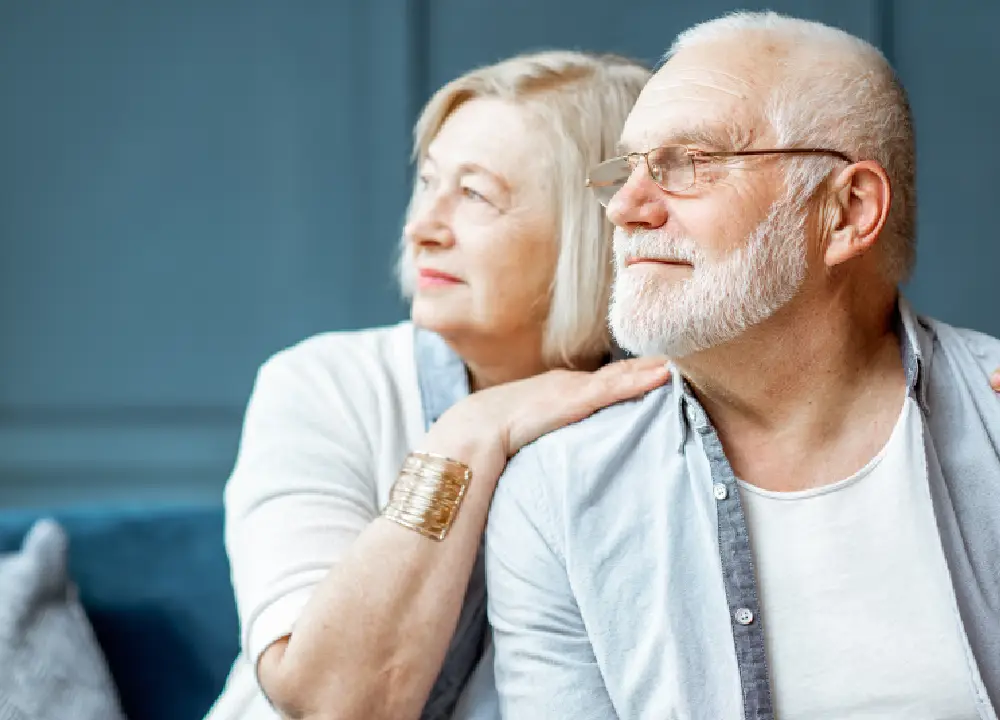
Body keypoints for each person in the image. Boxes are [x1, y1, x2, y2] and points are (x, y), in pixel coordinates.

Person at [486, 12, 1000, 720]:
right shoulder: (559, 496)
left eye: (688, 164)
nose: (626, 209)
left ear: (848, 211)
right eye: (627, 169)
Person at [203, 50, 666, 720]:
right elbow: (334, 703)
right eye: (428, 183)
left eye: (475, 194)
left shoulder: (667, 414)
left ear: (595, 229)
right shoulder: (322, 386)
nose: (422, 228)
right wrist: (469, 433)